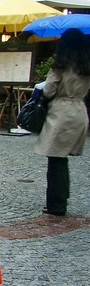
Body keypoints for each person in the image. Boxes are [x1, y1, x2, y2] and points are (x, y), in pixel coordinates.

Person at [34, 28, 90, 216]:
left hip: (61, 113)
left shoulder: (61, 64)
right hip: (79, 111)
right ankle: (61, 199)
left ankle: (56, 205)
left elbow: (49, 90)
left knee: (56, 160)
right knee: (61, 159)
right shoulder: (86, 66)